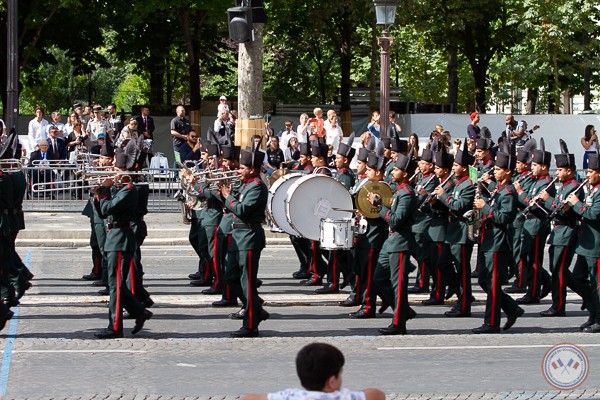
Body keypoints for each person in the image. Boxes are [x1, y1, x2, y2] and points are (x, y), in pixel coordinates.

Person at [92, 152, 152, 338]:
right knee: (114, 285)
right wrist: (98, 194)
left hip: (121, 240)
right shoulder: (119, 189)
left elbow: (108, 208)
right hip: (114, 238)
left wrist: (103, 191)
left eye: (116, 171)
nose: (113, 174)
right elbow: (103, 213)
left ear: (126, 173)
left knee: (116, 286)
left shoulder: (128, 190)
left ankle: (115, 326)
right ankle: (140, 312)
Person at [472, 143, 525, 333]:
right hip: (488, 238)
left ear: (508, 172)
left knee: (493, 284)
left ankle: (492, 322)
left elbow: (503, 217)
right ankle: (511, 308)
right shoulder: (499, 190)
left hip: (498, 241)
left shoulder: (509, 192)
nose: (494, 171)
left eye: (498, 169)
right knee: (484, 281)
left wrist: (484, 207)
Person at [220, 143, 269, 337]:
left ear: (252, 169)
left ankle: (250, 325)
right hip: (237, 237)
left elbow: (241, 209)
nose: (239, 170)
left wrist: (228, 197)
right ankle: (256, 309)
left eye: (242, 167)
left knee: (247, 282)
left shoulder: (257, 187)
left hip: (248, 238)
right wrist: (224, 194)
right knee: (230, 278)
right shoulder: (247, 184)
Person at [241, 343, 385, 400]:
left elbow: (247, 398)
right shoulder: (344, 397)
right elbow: (377, 394)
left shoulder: (290, 396)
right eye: (340, 374)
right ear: (332, 381)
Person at [513, 138, 555, 305]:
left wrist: (520, 192)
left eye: (535, 165)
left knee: (534, 260)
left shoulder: (546, 183)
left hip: (537, 224)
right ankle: (545, 282)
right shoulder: (536, 181)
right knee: (526, 257)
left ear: (543, 167)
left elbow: (533, 202)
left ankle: (534, 292)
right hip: (529, 224)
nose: (532, 168)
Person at [567, 153, 600, 333]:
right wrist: (570, 207)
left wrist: (576, 203)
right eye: (587, 171)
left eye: (590, 171)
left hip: (596, 246)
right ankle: (593, 309)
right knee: (577, 278)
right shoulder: (593, 189)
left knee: (597, 284)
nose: (587, 175)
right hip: (585, 244)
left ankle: (598, 317)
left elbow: (594, 214)